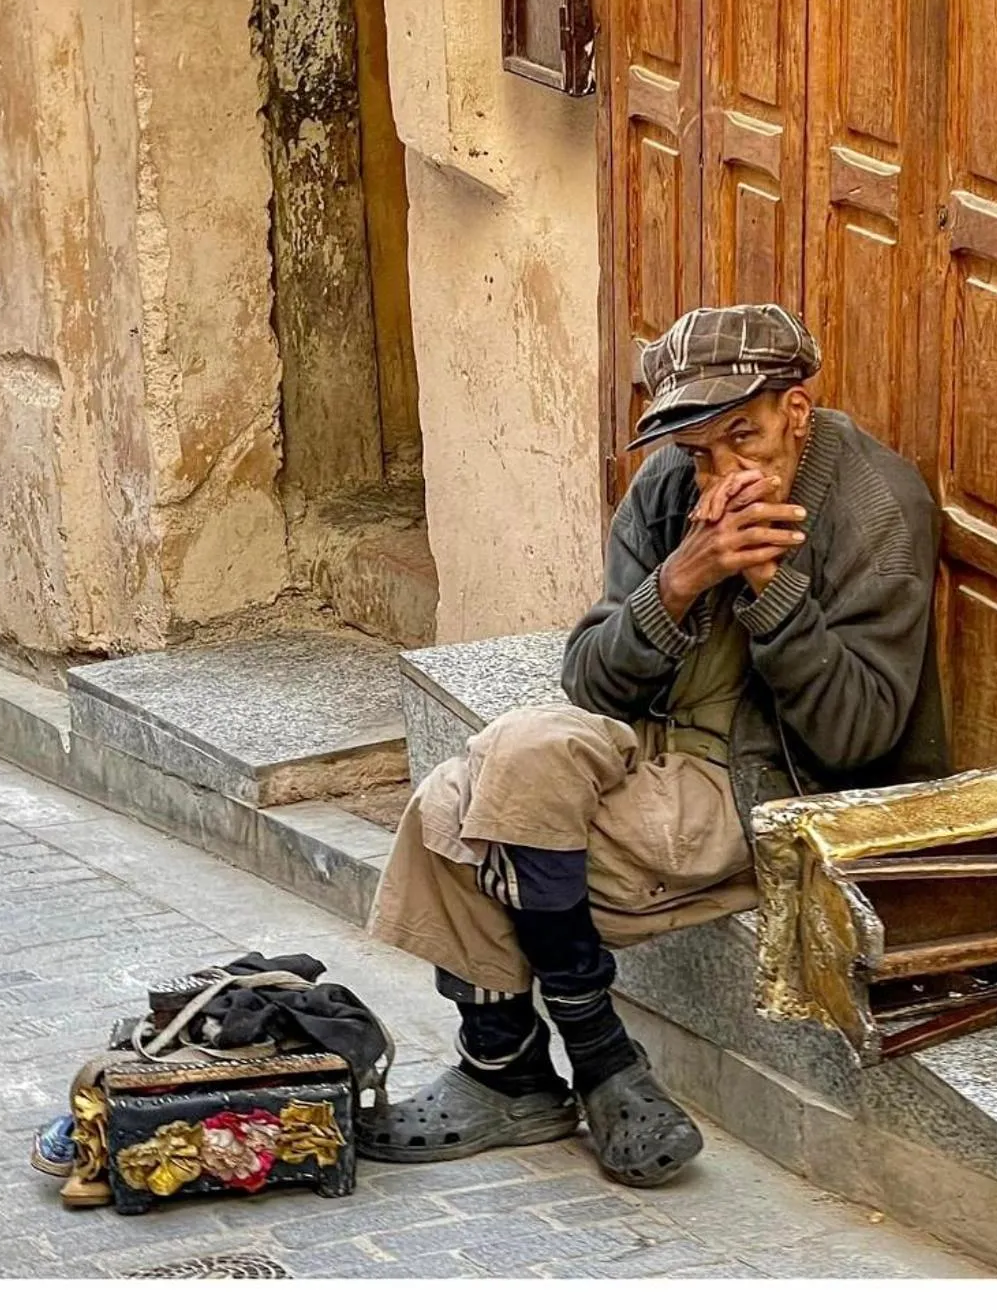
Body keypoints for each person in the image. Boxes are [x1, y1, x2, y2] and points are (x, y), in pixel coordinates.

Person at [360, 303, 947, 1187]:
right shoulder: (669, 492)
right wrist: (677, 583)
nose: (720, 472)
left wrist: (768, 586)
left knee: (459, 809)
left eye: (742, 438)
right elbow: (591, 684)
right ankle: (587, 1060)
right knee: (517, 758)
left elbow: (856, 739)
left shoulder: (876, 507)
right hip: (642, 753)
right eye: (698, 451)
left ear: (799, 408)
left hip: (762, 788)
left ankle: (519, 1067)